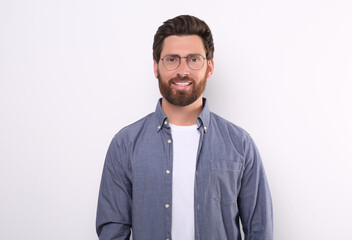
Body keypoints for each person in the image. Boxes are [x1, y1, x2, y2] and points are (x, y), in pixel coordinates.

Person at [96, 15, 273, 240]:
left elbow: (260, 230)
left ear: (209, 67)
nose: (182, 70)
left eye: (193, 59)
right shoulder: (125, 144)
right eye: (171, 59)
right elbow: (112, 232)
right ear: (156, 67)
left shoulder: (240, 144)